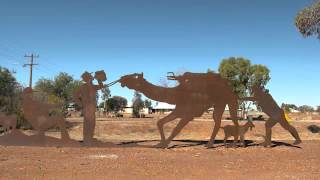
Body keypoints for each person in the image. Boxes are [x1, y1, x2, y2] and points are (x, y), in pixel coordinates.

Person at [74, 71, 105, 145]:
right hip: (86, 107)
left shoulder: (93, 86)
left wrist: (98, 79)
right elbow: (75, 95)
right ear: (87, 78)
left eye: (91, 77)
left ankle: (89, 138)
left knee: (92, 123)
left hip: (92, 107)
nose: (91, 79)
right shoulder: (82, 87)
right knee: (87, 123)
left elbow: (101, 86)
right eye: (90, 77)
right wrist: (80, 104)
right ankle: (86, 140)